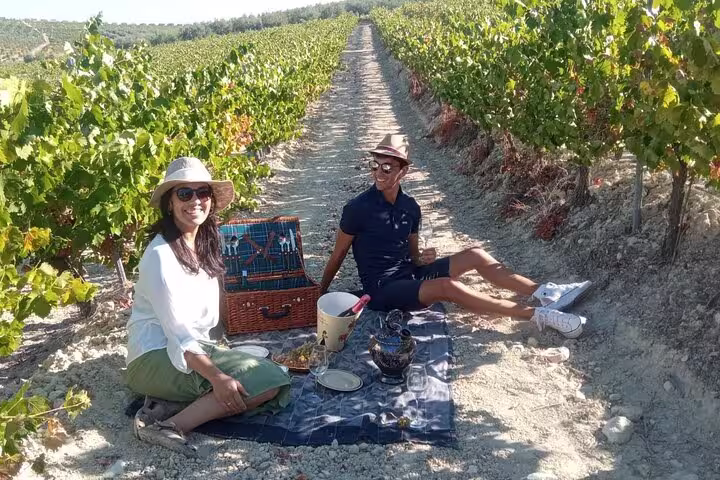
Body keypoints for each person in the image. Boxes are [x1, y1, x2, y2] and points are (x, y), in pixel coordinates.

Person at [320, 134, 592, 338]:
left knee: (475, 254)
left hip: (409, 273)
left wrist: (424, 258)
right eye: (375, 165)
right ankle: (536, 315)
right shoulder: (357, 208)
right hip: (381, 288)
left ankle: (543, 292)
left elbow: (413, 256)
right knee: (447, 287)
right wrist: (320, 293)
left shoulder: (410, 208)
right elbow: (338, 254)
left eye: (387, 167)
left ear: (403, 171)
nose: (379, 172)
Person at [125, 157, 291, 456]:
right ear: (170, 203)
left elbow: (204, 320)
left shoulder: (202, 241)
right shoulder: (160, 256)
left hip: (188, 349)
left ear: (211, 200)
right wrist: (217, 376)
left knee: (267, 371)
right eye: (184, 194)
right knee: (268, 381)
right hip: (152, 358)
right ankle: (168, 426)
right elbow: (180, 335)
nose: (195, 201)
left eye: (202, 192)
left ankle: (175, 400)